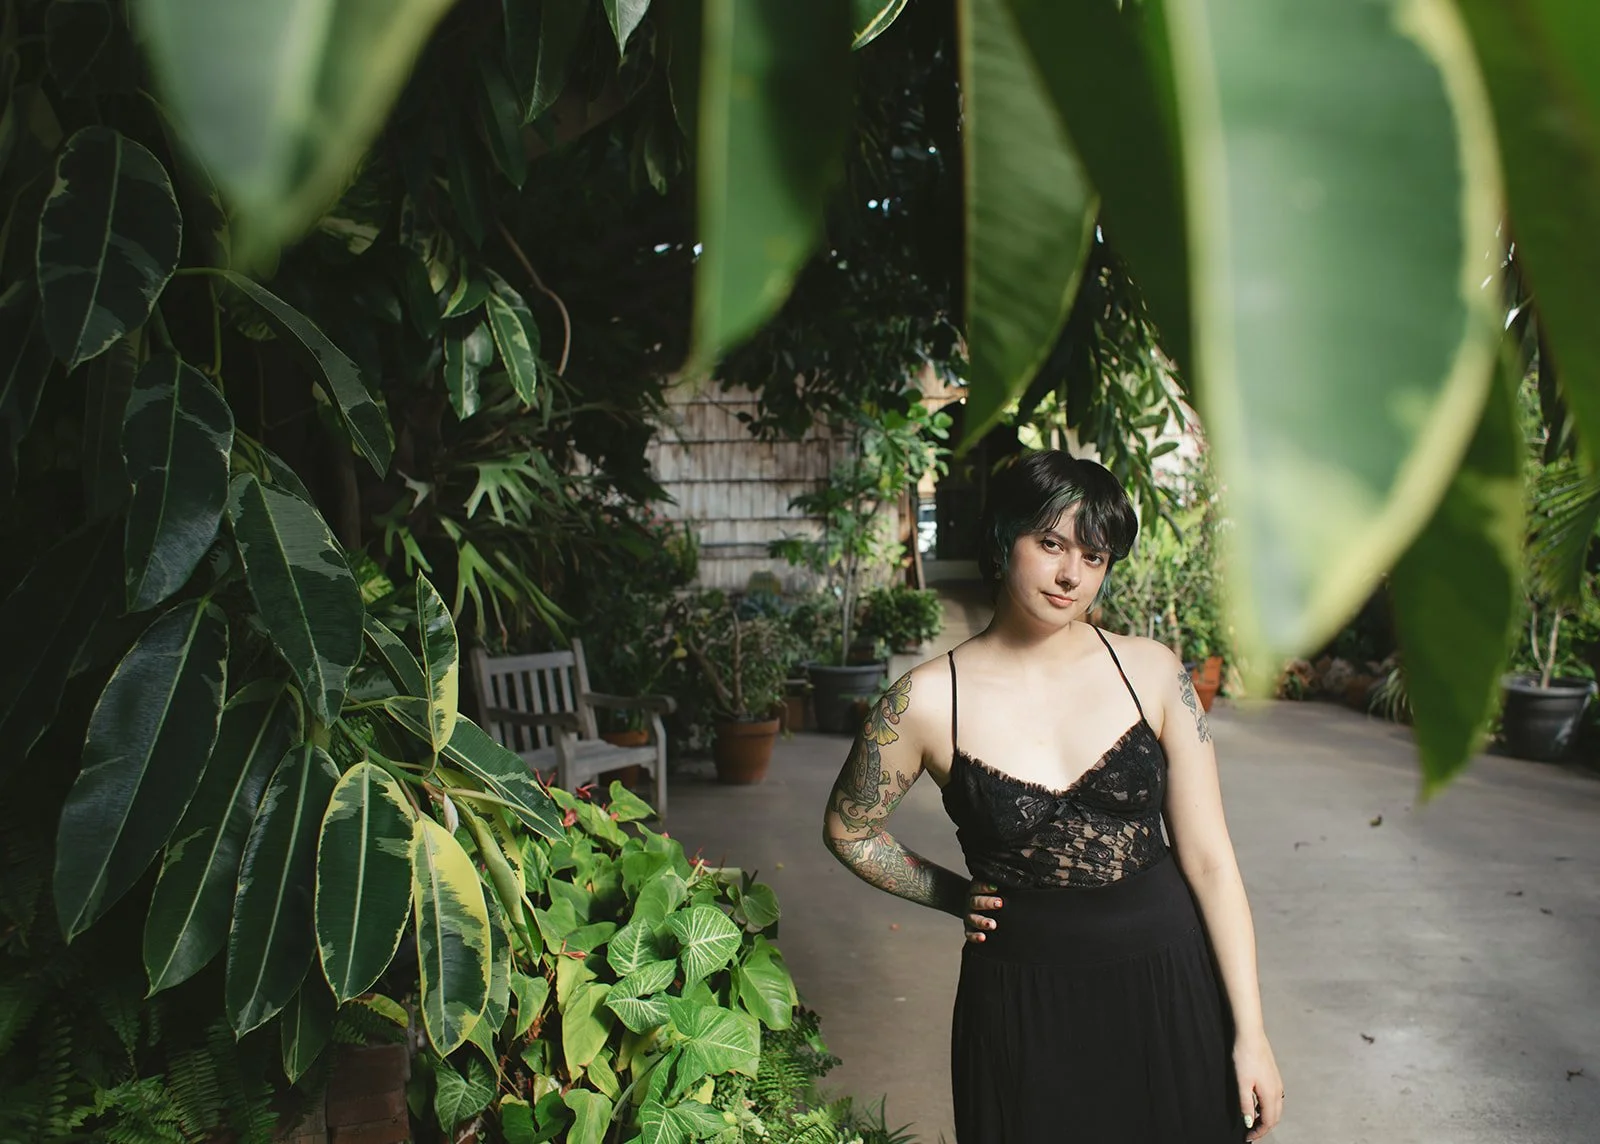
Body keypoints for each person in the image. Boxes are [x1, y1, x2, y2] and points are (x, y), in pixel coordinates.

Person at [821, 450, 1283, 1143]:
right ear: (1004, 538)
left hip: (1167, 979)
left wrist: (1252, 1032)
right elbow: (848, 829)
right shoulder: (923, 701)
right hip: (1021, 998)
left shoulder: (1151, 672)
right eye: (1051, 544)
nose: (1072, 575)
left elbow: (1212, 861)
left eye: (1094, 557)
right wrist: (951, 896)